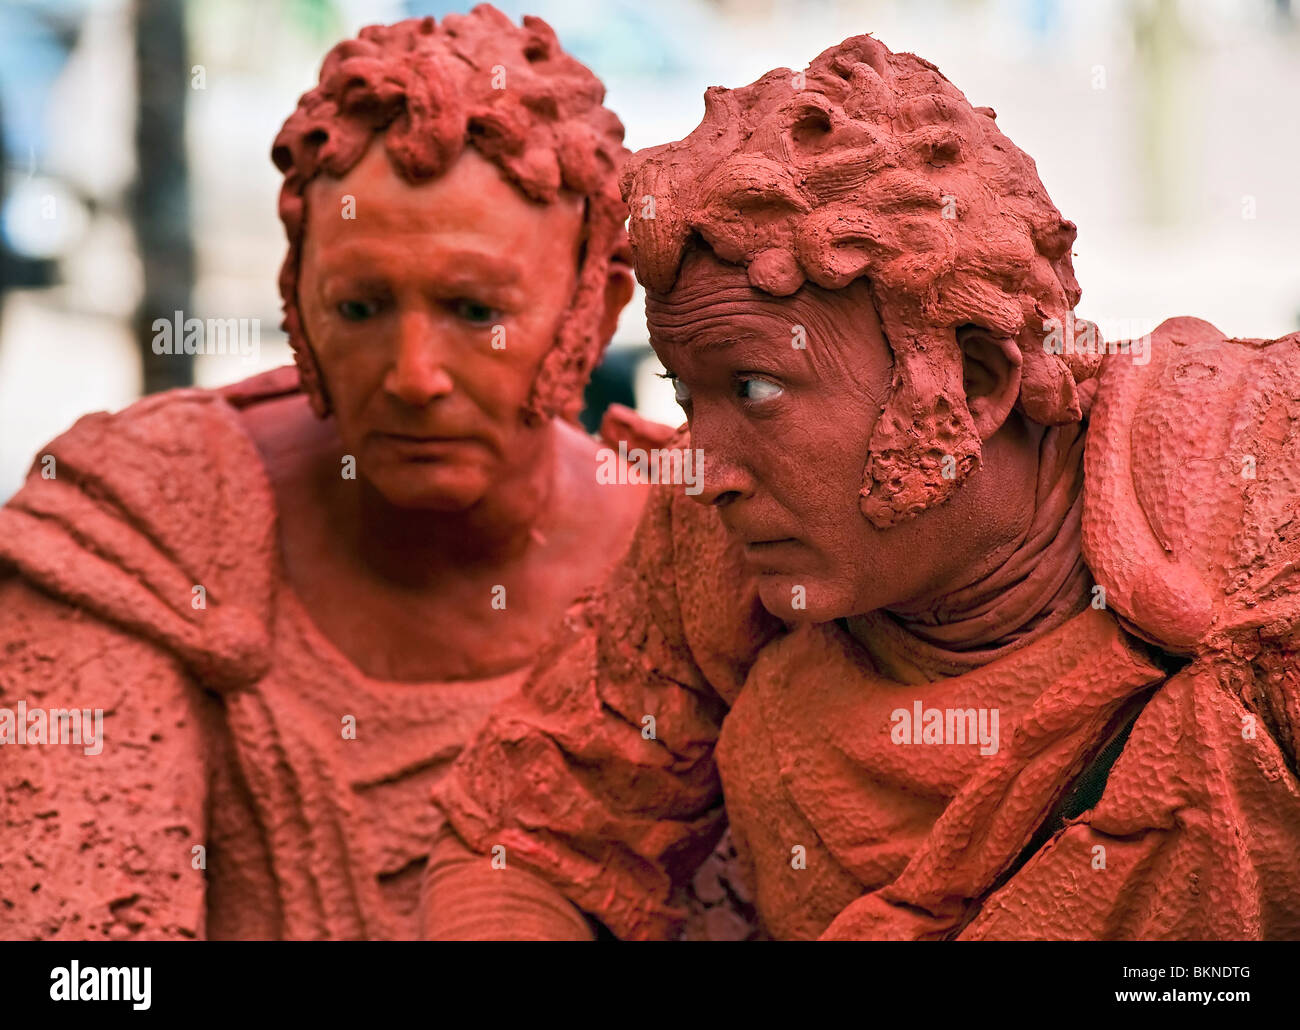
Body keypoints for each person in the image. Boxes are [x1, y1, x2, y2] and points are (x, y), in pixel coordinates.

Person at [425, 32, 1300, 941]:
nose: (705, 470)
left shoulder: (1256, 490)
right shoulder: (713, 550)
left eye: (755, 389)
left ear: (976, 381)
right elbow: (527, 842)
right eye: (688, 395)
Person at [0, 6, 647, 940]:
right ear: (295, 301)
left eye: (473, 310)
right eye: (361, 306)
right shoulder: (141, 532)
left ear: (595, 308)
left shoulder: (708, 562)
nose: (413, 376)